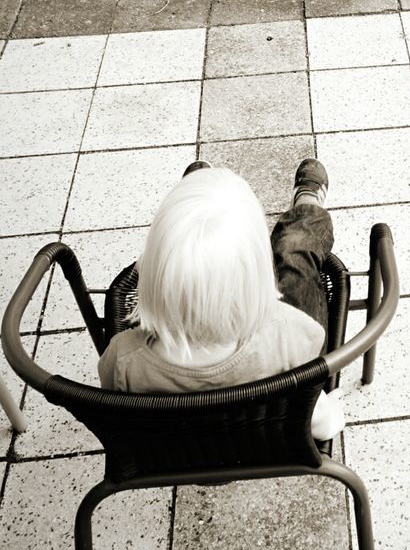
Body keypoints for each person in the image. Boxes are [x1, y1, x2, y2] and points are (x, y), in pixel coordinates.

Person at [98, 158, 345, 443]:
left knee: (195, 230)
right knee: (295, 253)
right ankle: (307, 207)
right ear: (264, 277)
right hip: (266, 442)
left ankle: (192, 205)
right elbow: (323, 427)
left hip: (174, 454)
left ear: (153, 275)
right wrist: (335, 409)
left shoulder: (124, 359)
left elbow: (118, 413)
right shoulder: (291, 334)